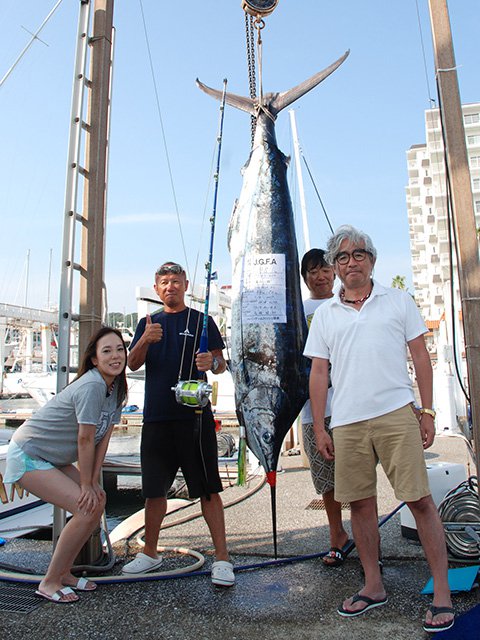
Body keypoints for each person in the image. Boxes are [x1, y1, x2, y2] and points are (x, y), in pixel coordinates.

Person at [304, 225, 454, 634]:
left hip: (396, 413)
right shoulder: (325, 315)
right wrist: (319, 428)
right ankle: (373, 585)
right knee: (360, 505)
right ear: (335, 266)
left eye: (359, 254)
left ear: (371, 260)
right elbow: (319, 373)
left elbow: (420, 356)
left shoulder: (398, 300)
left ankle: (442, 590)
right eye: (342, 257)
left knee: (419, 500)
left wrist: (427, 411)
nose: (351, 262)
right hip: (347, 421)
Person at [122, 262, 234, 587]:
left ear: (185, 284)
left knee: (209, 489)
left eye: (175, 281)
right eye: (164, 282)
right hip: (157, 417)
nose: (170, 286)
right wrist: (145, 340)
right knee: (154, 491)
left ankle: (222, 558)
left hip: (195, 418)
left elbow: (220, 365)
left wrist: (212, 362)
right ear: (156, 288)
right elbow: (132, 363)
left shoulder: (202, 320)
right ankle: (150, 553)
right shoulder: (147, 323)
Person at [4, 327, 127, 603]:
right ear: (94, 359)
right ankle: (49, 581)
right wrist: (85, 484)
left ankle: (64, 573)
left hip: (53, 457)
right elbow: (85, 438)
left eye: (120, 349)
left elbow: (103, 439)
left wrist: (93, 482)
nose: (115, 356)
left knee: (97, 502)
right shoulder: (92, 385)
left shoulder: (117, 388)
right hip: (28, 454)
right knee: (85, 507)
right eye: (107, 351)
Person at [300, 248, 352, 566]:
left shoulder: (348, 302)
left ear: (334, 272)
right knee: (327, 482)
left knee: (359, 479)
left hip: (352, 407)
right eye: (312, 271)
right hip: (314, 411)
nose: (319, 276)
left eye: (324, 269)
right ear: (304, 278)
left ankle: (369, 542)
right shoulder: (297, 311)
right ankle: (337, 536)